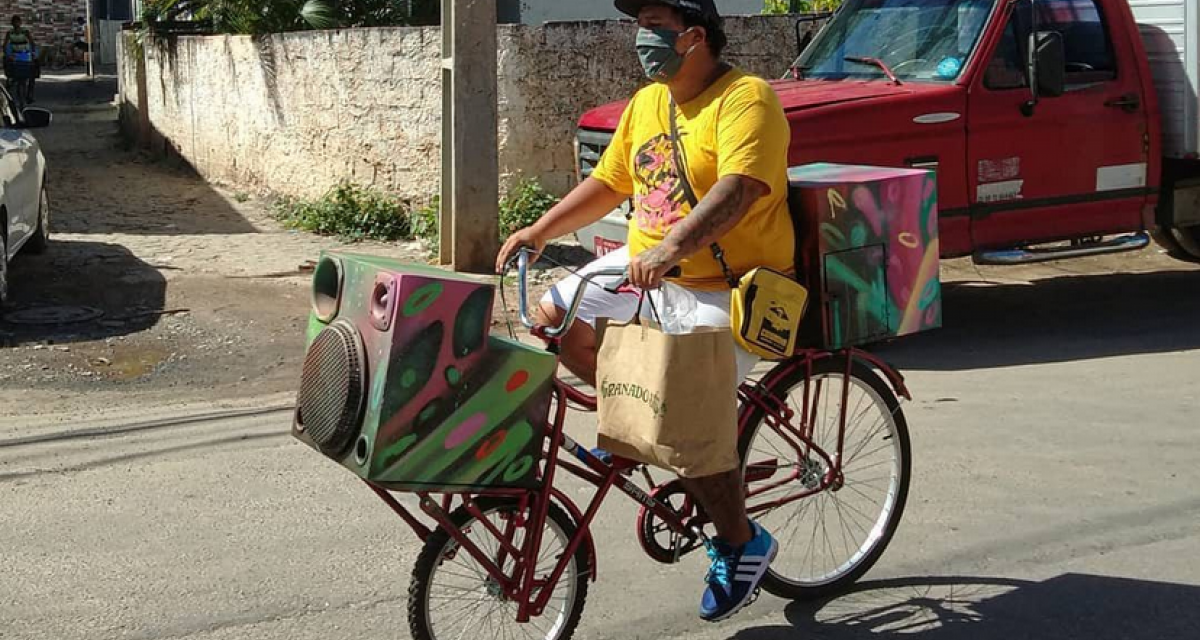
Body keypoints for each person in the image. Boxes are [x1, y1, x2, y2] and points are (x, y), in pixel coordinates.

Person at [496, 0, 795, 623]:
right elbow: (611, 184)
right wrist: (540, 231)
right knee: (553, 318)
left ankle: (742, 542)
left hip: (729, 287)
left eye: (655, 26)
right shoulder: (647, 105)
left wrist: (670, 247)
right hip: (650, 270)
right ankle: (633, 425)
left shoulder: (747, 98)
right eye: (640, 24)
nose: (642, 38)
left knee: (681, 419)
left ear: (694, 36)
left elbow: (738, 188)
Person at [3, 15, 38, 102]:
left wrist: (33, 54)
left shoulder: (25, 32)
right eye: (14, 22)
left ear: (20, 23)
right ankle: (8, 90)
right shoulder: (9, 33)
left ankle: (30, 95)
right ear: (12, 23)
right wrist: (8, 55)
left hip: (25, 55)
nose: (16, 24)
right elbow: (4, 45)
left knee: (32, 74)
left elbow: (32, 43)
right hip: (15, 56)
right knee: (9, 69)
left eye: (17, 22)